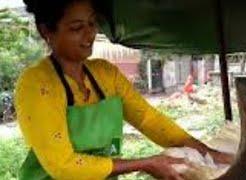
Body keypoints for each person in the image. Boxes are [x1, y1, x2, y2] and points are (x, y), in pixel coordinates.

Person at [15, 0, 234, 179]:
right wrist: (146, 163)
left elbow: (150, 120)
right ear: (45, 31)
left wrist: (209, 153)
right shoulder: (37, 83)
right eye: (77, 28)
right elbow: (63, 166)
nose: (90, 35)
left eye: (92, 24)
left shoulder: (105, 74)